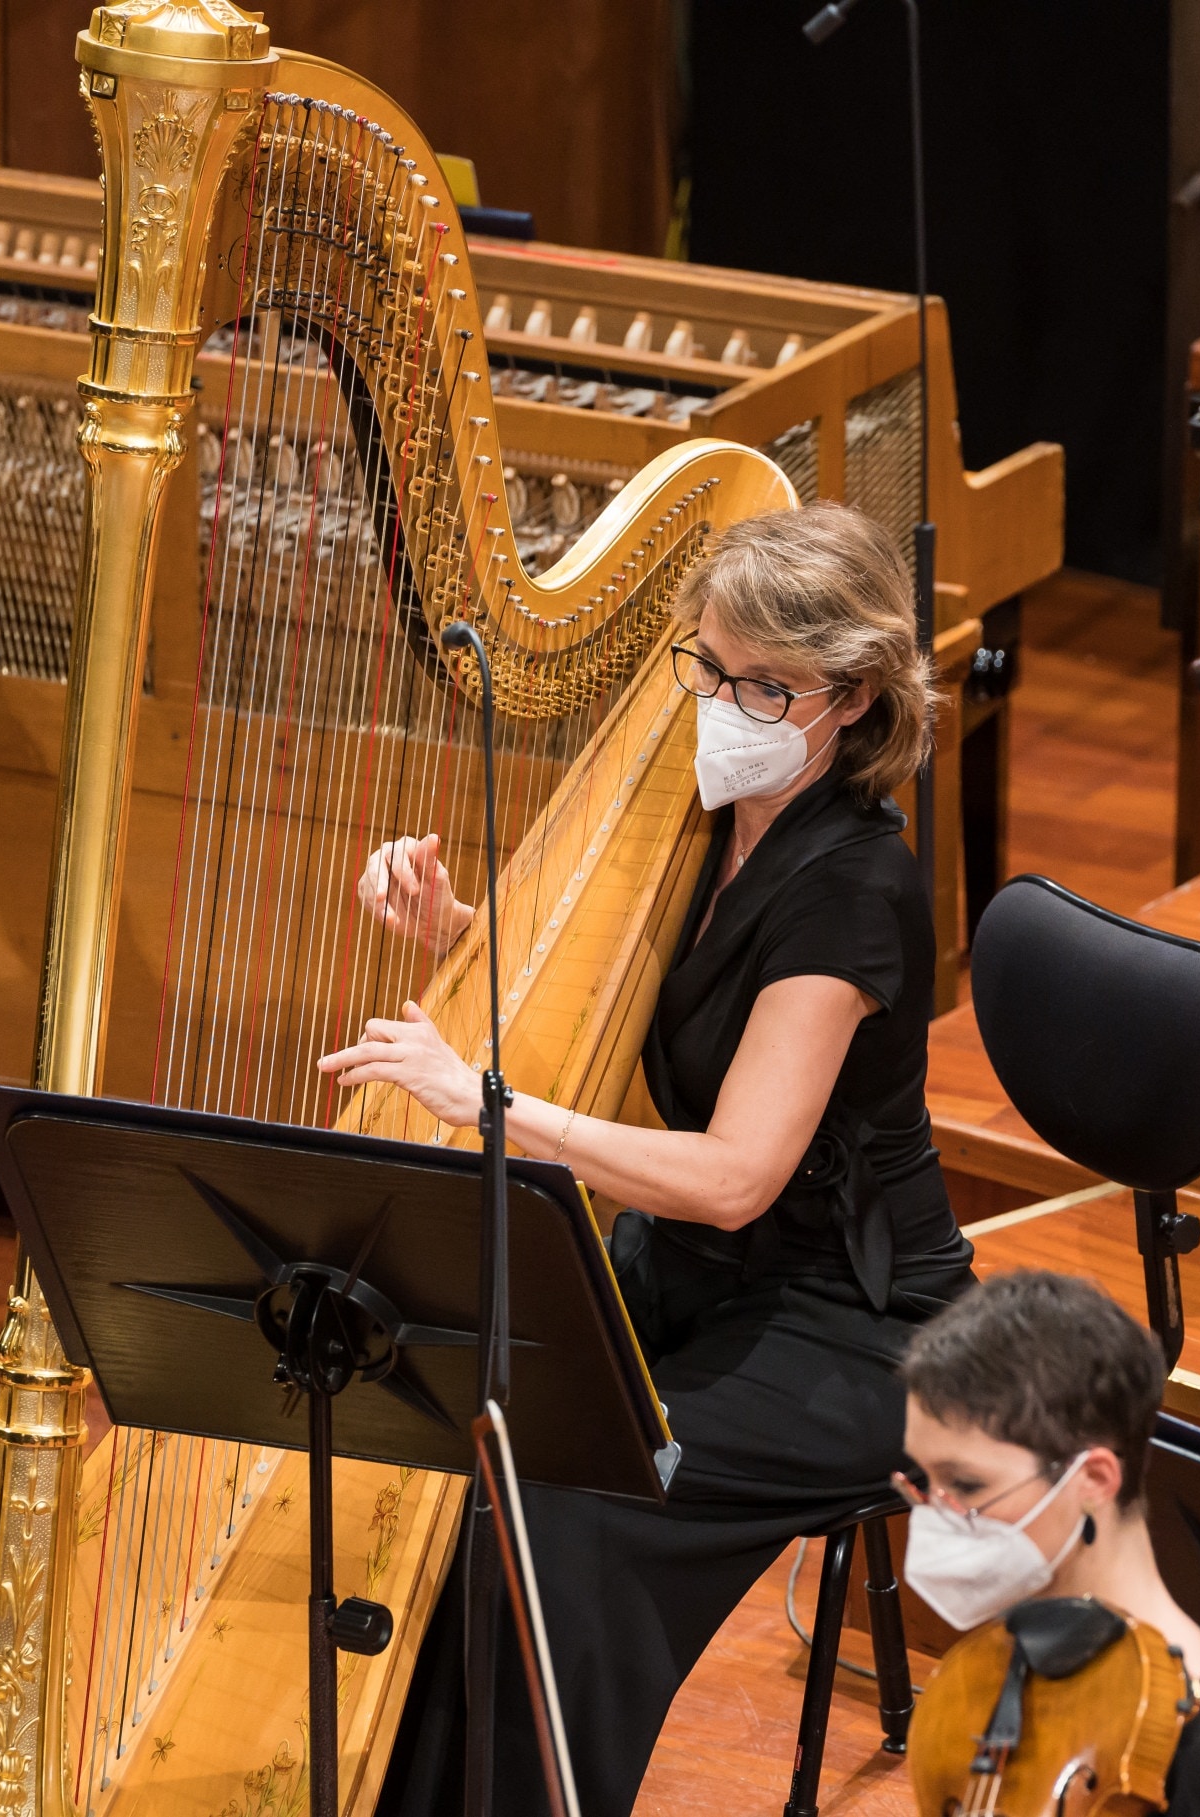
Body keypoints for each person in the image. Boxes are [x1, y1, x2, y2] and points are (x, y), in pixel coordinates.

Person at [328, 502, 978, 1815]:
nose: (725, 704)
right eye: (710, 669)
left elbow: (739, 1173)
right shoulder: (695, 818)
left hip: (848, 1325)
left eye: (763, 686)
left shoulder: (852, 887)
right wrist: (448, 922)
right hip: (688, 1269)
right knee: (427, 1402)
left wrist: (488, 1104)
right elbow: (625, 999)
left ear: (848, 700)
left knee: (562, 1514)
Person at [896, 1269, 1200, 1815]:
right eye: (925, 1480)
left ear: (1094, 1480)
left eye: (966, 1485)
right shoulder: (991, 1663)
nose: (937, 1514)